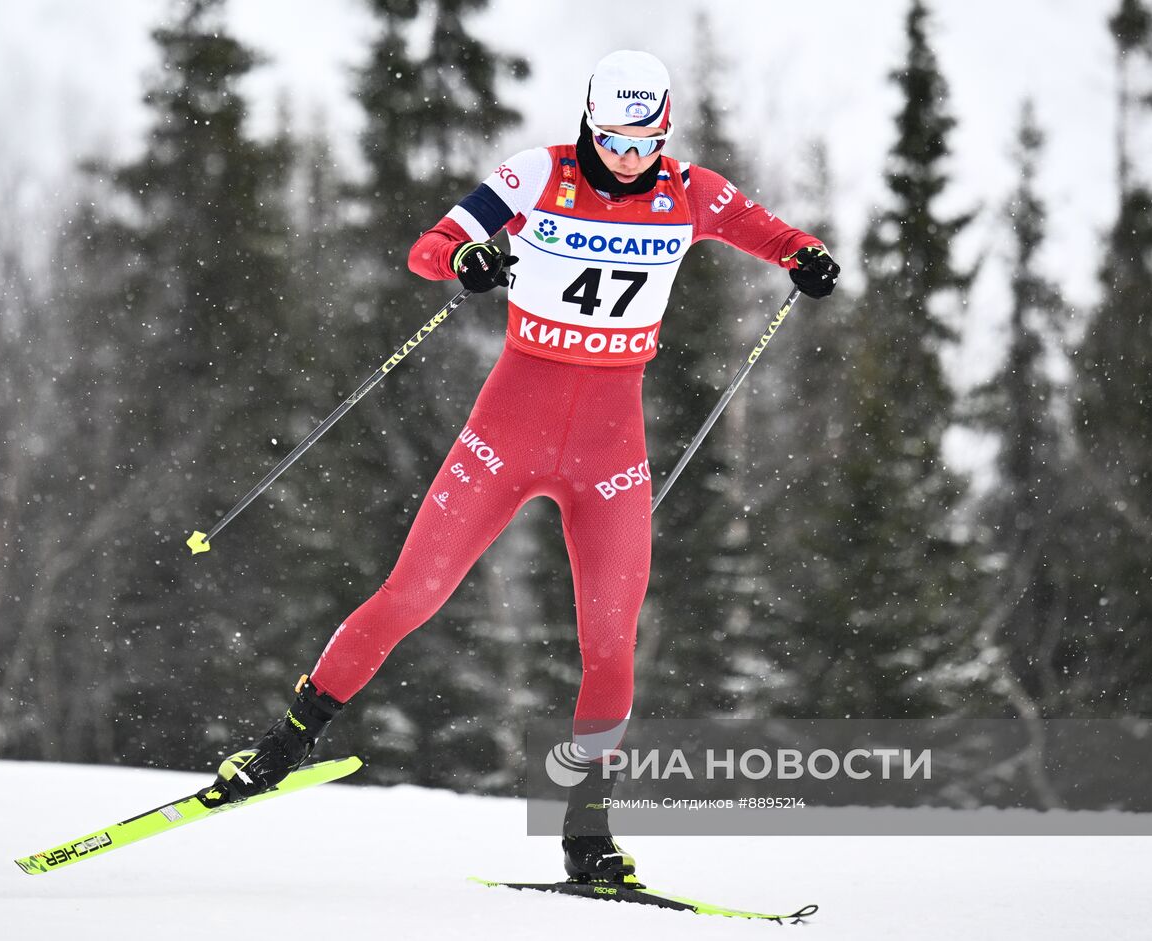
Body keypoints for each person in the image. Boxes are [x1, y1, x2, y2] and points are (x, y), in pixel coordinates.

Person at [212, 50, 840, 884]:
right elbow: (430, 247)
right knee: (411, 593)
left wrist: (807, 257)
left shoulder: (691, 192)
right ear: (589, 125)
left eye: (646, 142)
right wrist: (464, 260)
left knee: (611, 641)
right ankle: (286, 742)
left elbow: (777, 235)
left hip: (610, 451)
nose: (629, 158)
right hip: (507, 431)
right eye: (613, 140)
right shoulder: (538, 175)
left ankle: (588, 833)